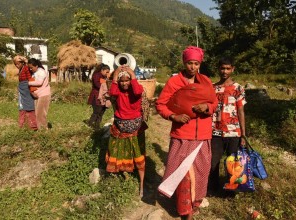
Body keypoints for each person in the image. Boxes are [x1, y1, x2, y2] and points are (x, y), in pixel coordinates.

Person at [155, 46, 217, 219]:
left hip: (203, 136)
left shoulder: (205, 81)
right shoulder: (174, 82)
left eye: (196, 63)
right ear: (184, 62)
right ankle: (185, 210)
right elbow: (160, 105)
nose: (192, 67)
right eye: (189, 63)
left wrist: (207, 107)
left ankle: (195, 202)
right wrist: (174, 116)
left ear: (200, 64)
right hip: (182, 136)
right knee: (183, 175)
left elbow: (214, 103)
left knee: (200, 173)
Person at [105, 65, 147, 198]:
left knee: (138, 155)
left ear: (131, 81)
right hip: (123, 124)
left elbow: (137, 90)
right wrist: (117, 73)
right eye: (121, 81)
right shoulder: (118, 92)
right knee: (125, 152)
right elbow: (112, 91)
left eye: (127, 80)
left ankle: (141, 185)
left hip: (130, 125)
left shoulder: (137, 91)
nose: (124, 83)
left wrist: (132, 74)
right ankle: (125, 174)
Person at [207, 57, 247, 194]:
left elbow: (241, 111)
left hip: (234, 132)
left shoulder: (238, 88)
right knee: (213, 162)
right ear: (218, 69)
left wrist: (243, 134)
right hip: (216, 132)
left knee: (233, 163)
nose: (225, 71)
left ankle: (232, 189)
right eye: (222, 68)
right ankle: (212, 189)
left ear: (233, 69)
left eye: (228, 68)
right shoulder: (212, 88)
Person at [13, 55, 37, 130]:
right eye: (15, 64)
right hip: (22, 91)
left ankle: (33, 125)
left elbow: (30, 79)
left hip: (27, 90)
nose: (17, 65)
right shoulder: (21, 69)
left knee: (30, 107)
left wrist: (32, 91)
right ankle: (22, 124)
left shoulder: (26, 68)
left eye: (18, 64)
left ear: (22, 63)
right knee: (22, 107)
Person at [27, 58, 51, 130]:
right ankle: (40, 128)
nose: (30, 69)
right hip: (38, 95)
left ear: (36, 66)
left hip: (44, 95)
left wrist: (28, 83)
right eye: (29, 68)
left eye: (31, 67)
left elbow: (39, 83)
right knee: (37, 113)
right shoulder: (35, 72)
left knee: (41, 114)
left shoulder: (41, 72)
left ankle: (43, 129)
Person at [87, 63, 110, 130]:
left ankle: (97, 126)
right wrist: (106, 82)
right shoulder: (96, 75)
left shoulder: (104, 77)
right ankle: (90, 124)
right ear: (102, 70)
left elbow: (106, 83)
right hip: (96, 96)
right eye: (107, 72)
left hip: (103, 97)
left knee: (101, 112)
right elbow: (98, 84)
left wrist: (107, 80)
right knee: (96, 112)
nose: (107, 73)